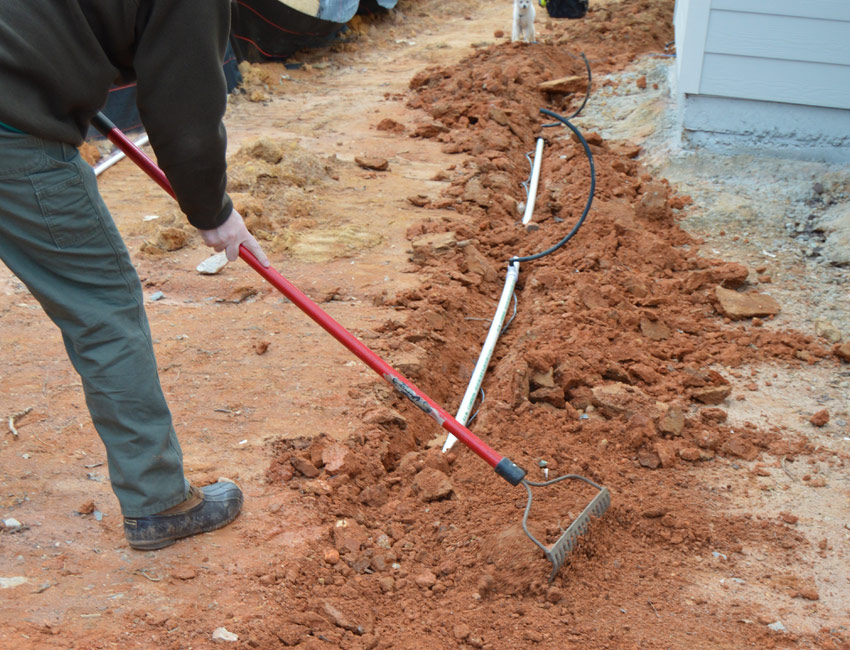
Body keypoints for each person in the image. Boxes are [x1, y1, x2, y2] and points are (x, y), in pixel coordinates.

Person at [0, 1, 269, 550]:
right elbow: (185, 110)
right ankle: (160, 501)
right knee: (103, 312)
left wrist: (67, 81)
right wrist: (213, 213)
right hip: (12, 136)